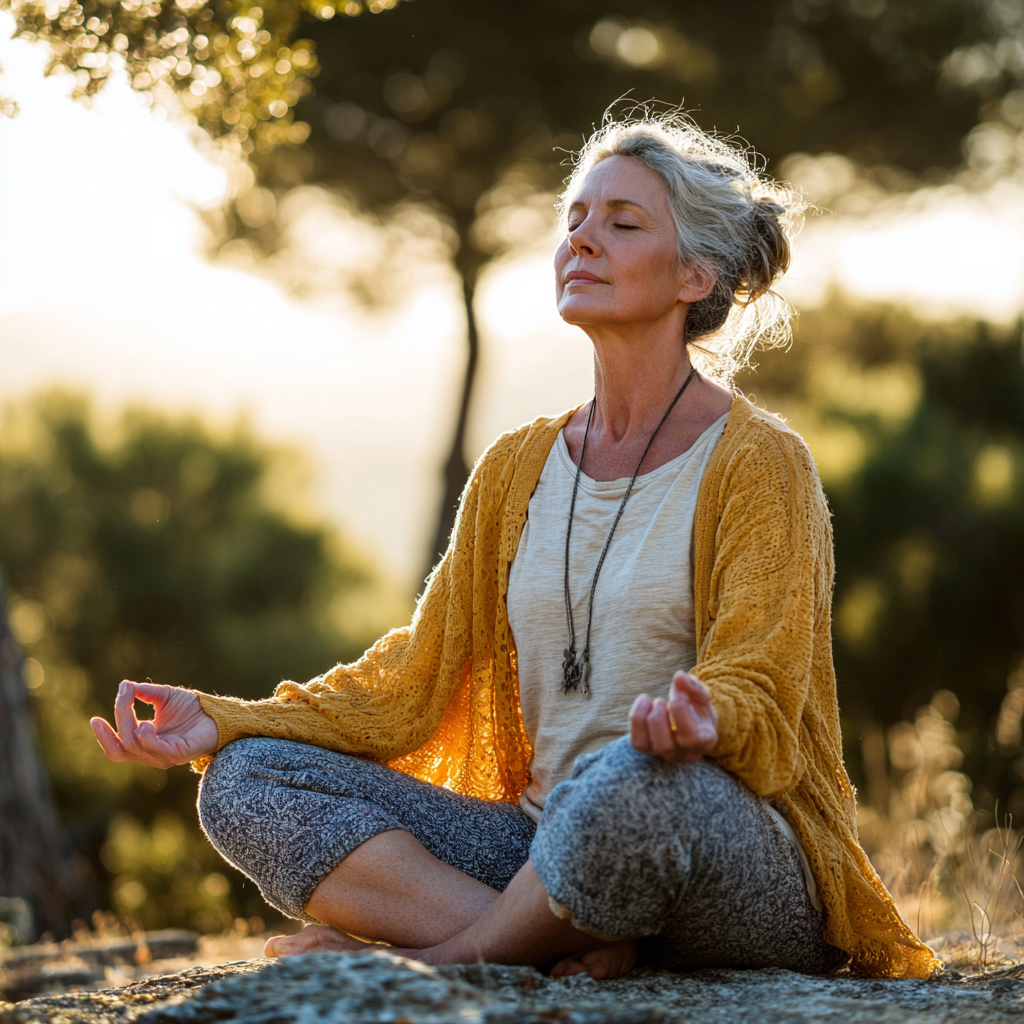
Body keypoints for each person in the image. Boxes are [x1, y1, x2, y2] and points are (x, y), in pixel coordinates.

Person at [90, 114, 940, 981]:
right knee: (243, 779)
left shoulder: (761, 462)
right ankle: (562, 936)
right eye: (574, 218)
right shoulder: (515, 469)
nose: (583, 240)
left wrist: (705, 720)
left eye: (622, 223)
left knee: (625, 783)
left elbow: (764, 675)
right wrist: (228, 719)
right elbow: (413, 677)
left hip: (713, 842)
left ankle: (464, 955)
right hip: (541, 845)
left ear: (696, 275)